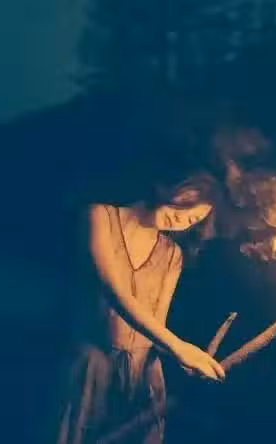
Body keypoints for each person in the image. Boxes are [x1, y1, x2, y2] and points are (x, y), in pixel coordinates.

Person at [56, 171, 227, 444]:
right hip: (92, 363)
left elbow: (157, 322)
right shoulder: (100, 216)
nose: (181, 219)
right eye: (185, 205)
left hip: (141, 373)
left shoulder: (171, 254)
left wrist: (183, 359)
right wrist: (179, 347)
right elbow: (114, 292)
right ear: (172, 187)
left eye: (192, 220)